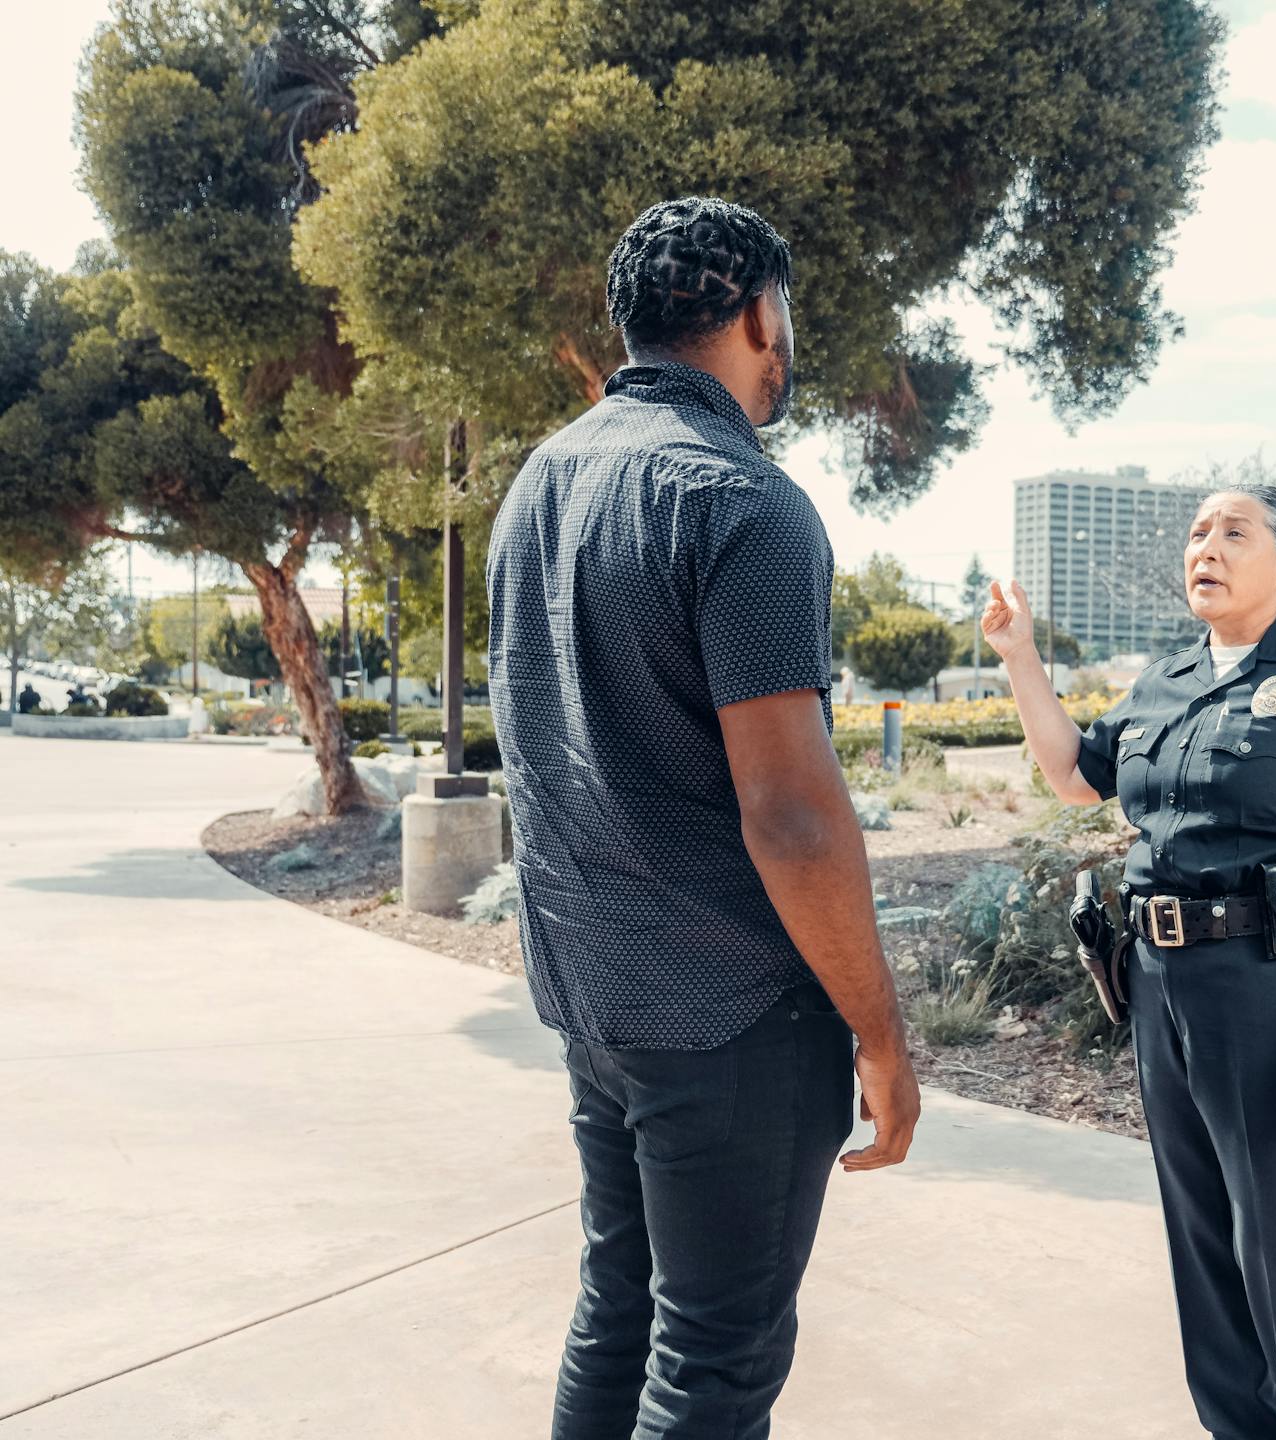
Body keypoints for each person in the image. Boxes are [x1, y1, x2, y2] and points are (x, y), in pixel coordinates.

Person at [487, 196, 920, 1440]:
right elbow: (792, 816)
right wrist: (879, 1030)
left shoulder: (539, 482)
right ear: (754, 315)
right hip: (734, 1015)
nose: (787, 346)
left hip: (596, 997)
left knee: (619, 1311)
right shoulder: (742, 502)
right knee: (714, 1366)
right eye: (785, 318)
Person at [982, 482, 1276, 1440]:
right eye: (1197, 534)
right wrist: (1020, 660)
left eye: (1234, 532)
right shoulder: (1164, 680)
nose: (1205, 548)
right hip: (1161, 983)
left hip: (1275, 986)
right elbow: (1074, 778)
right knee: (1202, 1235)